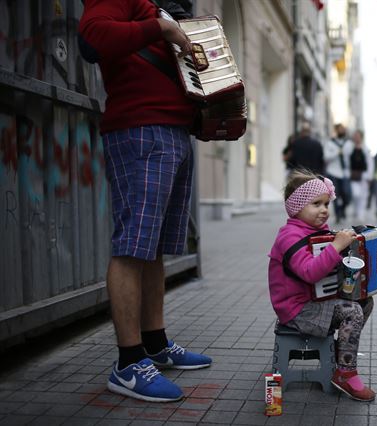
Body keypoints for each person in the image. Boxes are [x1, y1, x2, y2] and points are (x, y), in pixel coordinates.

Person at [79, 0, 211, 402]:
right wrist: (163, 29)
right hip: (140, 130)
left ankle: (154, 345)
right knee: (133, 247)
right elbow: (92, 37)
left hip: (170, 131)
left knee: (151, 248)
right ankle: (128, 363)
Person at [267, 169, 377, 401]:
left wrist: (373, 239)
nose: (324, 210)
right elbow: (310, 272)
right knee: (351, 312)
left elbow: (340, 259)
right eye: (316, 204)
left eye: (326, 203)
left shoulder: (317, 232)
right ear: (296, 208)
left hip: (314, 302)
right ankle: (345, 373)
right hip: (297, 310)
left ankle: (342, 353)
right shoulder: (289, 238)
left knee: (364, 301)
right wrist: (335, 247)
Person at [324, 124, 353, 222]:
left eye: (343, 129)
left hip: (345, 173)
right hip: (333, 172)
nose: (342, 131)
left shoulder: (349, 143)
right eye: (340, 129)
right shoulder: (330, 143)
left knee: (347, 195)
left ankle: (342, 209)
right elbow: (326, 157)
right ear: (336, 130)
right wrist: (337, 152)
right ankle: (337, 215)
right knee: (335, 195)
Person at [349, 130, 373, 221]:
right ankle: (356, 210)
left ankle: (361, 213)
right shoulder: (350, 147)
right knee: (355, 194)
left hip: (364, 175)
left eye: (358, 136)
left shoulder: (365, 148)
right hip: (353, 175)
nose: (356, 137)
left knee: (363, 195)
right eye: (355, 135)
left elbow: (370, 163)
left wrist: (369, 176)